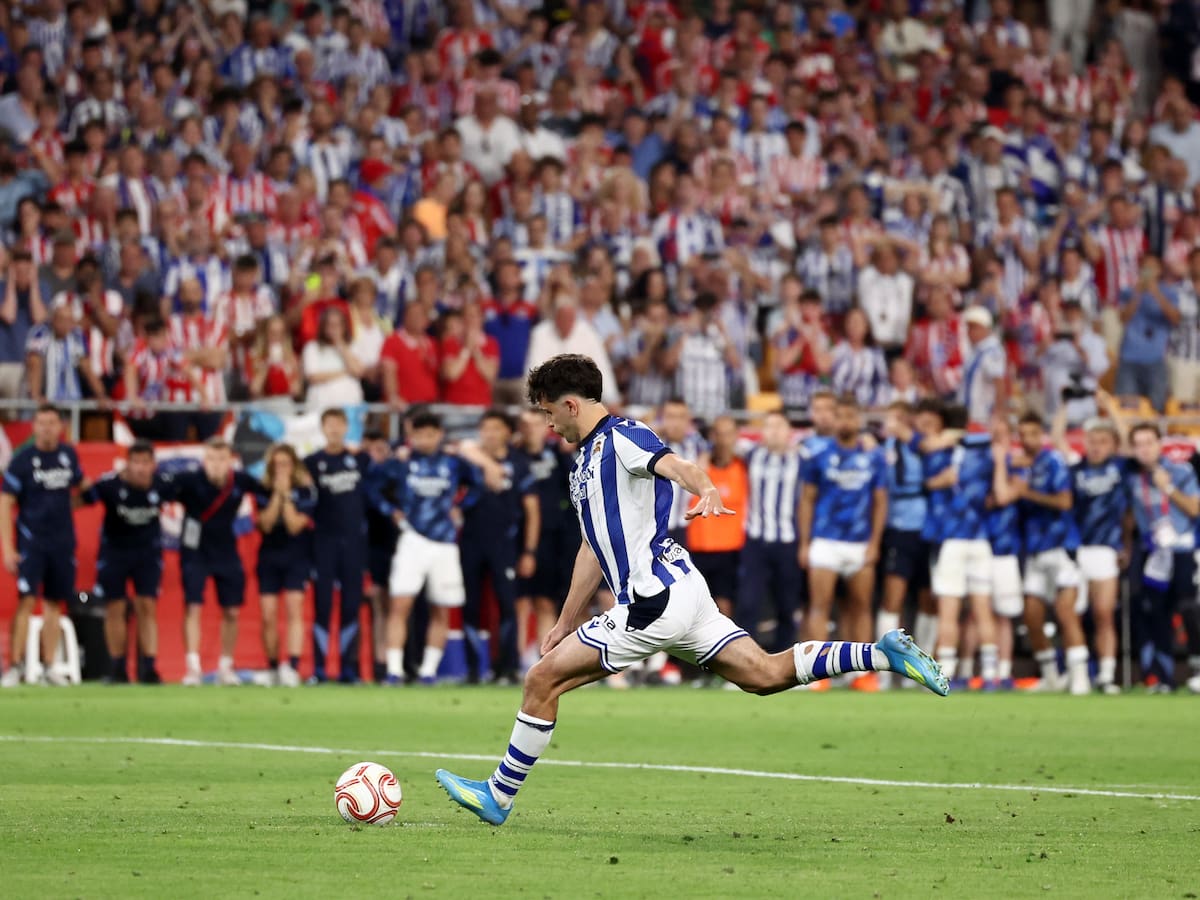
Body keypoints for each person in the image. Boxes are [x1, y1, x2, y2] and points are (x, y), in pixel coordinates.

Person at [435, 354, 946, 827]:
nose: (549, 424)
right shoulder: (585, 462)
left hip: (652, 601)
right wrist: (565, 622)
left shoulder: (622, 436)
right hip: (684, 592)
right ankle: (879, 654)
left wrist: (705, 488)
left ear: (571, 404)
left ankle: (498, 797)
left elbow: (675, 465)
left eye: (550, 413)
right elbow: (593, 548)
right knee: (763, 674)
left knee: (541, 681)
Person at [366, 409, 504, 685]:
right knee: (400, 604)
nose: (426, 440)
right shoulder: (401, 462)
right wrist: (390, 510)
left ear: (439, 435)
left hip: (445, 543)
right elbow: (372, 486)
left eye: (431, 434)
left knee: (441, 608)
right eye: (420, 434)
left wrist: (460, 507)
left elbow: (478, 482)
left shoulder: (453, 462)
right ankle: (394, 670)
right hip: (412, 539)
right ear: (412, 436)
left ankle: (428, 672)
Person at [798, 395, 889, 668]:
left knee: (861, 607)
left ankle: (861, 673)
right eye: (841, 416)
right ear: (834, 419)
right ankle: (818, 672)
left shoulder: (874, 457)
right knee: (819, 607)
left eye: (851, 416)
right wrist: (805, 543)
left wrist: (875, 543)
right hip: (825, 539)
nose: (846, 422)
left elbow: (881, 502)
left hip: (859, 542)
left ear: (859, 420)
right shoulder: (818, 457)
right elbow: (807, 500)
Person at [0, 405, 85, 687]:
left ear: (60, 426)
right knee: (25, 601)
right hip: (31, 542)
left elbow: (80, 488)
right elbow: (5, 502)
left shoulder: (68, 455)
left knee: (53, 603)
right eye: (41, 422)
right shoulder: (22, 460)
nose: (47, 428)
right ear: (34, 426)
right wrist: (7, 547)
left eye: (51, 422)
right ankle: (14, 666)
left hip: (62, 542)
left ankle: (49, 666)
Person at [170, 437, 261, 687]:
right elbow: (159, 491)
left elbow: (266, 489)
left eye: (222, 459)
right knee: (193, 606)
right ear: (204, 460)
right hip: (195, 550)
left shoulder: (240, 481)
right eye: (211, 458)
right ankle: (192, 667)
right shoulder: (188, 481)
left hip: (226, 549)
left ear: (230, 460)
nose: (216, 464)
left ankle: (225, 666)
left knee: (232, 610)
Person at [81, 440, 172, 684]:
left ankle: (149, 668)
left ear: (153, 465)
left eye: (146, 462)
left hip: (148, 553)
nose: (141, 468)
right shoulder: (110, 484)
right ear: (128, 464)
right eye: (136, 462)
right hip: (114, 553)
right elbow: (83, 498)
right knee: (115, 608)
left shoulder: (164, 485)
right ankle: (117, 667)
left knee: (147, 606)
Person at [459, 409, 540, 684]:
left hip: (505, 544)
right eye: (485, 428)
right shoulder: (468, 462)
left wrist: (529, 551)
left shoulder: (519, 464)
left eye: (496, 428)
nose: (490, 434)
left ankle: (506, 669)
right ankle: (472, 671)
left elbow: (532, 510)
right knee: (470, 605)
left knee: (507, 605)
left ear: (508, 431)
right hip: (470, 542)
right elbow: (457, 449)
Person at [1013, 412, 1088, 694]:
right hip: (1034, 550)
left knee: (1065, 612)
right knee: (1031, 615)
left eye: (1032, 434)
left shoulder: (1053, 461)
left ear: (1041, 435)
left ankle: (1080, 677)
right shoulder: (1021, 467)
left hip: (1061, 546)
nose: (1027, 440)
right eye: (1022, 434)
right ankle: (1051, 677)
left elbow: (1065, 501)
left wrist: (1027, 493)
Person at [1055, 404, 1126, 694]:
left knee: (1103, 613)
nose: (1096, 447)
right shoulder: (1077, 466)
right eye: (1092, 442)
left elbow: (1125, 433)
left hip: (1106, 548)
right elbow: (1057, 437)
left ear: (1112, 444)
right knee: (1067, 610)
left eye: (1102, 442)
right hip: (1077, 548)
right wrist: (1066, 404)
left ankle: (1106, 676)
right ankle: (1079, 672)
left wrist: (1108, 401)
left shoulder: (1120, 467)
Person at [1125, 421, 1200, 692]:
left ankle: (1197, 666)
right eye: (1138, 444)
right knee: (1154, 612)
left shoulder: (1179, 471)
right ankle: (1161, 676)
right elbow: (1130, 516)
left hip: (1181, 549)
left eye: (1149, 443)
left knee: (1188, 606)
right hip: (1153, 552)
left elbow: (1194, 509)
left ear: (1159, 444)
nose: (1144, 450)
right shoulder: (1133, 476)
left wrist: (1168, 489)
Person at [925, 419, 1000, 688]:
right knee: (983, 610)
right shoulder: (986, 459)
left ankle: (944, 674)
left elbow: (926, 480)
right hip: (980, 540)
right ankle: (991, 675)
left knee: (949, 611)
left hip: (953, 540)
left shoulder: (942, 457)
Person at [304, 408, 371, 684]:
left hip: (354, 543)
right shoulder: (310, 463)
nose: (333, 429)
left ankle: (349, 669)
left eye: (338, 424)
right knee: (322, 603)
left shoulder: (360, 460)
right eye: (328, 424)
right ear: (322, 428)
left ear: (346, 427)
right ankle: (319, 669)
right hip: (323, 542)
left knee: (351, 604)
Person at [513, 408, 581, 665]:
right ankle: (518, 662)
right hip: (519, 537)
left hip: (554, 537)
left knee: (546, 602)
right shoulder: (514, 457)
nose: (531, 430)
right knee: (520, 602)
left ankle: (546, 661)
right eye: (525, 424)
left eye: (536, 424)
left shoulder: (558, 456)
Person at [738, 410, 804, 652]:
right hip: (755, 540)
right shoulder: (751, 454)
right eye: (769, 426)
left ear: (789, 432)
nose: (774, 431)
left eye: (779, 426)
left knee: (787, 606)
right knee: (748, 603)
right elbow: (720, 441)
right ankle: (746, 662)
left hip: (788, 541)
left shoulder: (803, 458)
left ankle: (785, 665)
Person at [876, 401, 931, 689]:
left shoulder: (924, 445)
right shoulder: (882, 449)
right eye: (889, 419)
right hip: (898, 528)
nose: (892, 424)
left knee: (928, 601)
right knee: (892, 598)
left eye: (897, 419)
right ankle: (883, 668)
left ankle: (923, 668)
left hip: (928, 529)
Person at [254, 443, 316, 688]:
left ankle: (291, 666)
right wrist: (277, 495)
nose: (281, 469)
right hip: (269, 555)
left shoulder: (306, 491)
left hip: (297, 554)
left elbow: (293, 525)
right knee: (268, 615)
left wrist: (288, 495)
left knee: (294, 610)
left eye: (286, 464)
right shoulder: (262, 490)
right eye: (277, 465)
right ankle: (271, 667)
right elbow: (266, 524)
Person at [686, 415, 748, 621]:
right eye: (719, 434)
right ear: (712, 436)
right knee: (692, 608)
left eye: (728, 434)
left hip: (729, 550)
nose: (723, 440)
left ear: (736, 436)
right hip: (697, 547)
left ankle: (723, 652)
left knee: (724, 606)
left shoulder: (744, 468)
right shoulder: (697, 469)